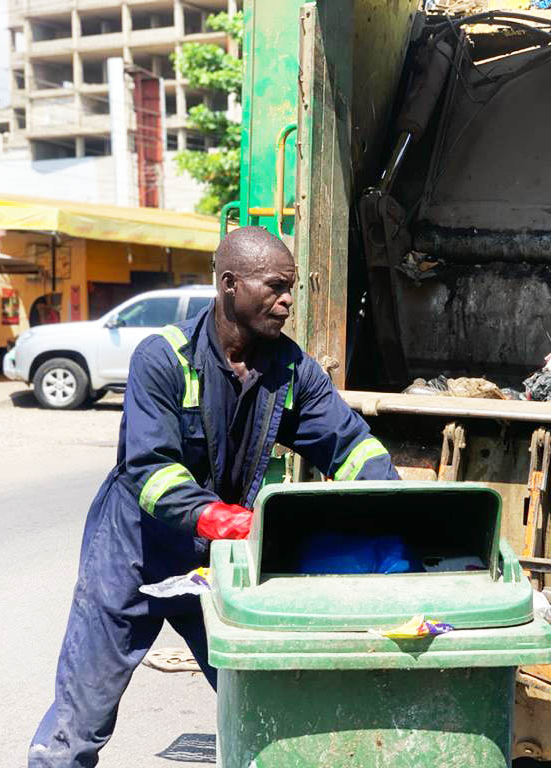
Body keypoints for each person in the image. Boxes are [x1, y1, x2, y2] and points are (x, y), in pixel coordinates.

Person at [28, 226, 399, 767]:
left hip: (210, 563)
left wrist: (401, 506)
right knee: (80, 719)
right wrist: (228, 522)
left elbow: (348, 446)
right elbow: (151, 471)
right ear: (229, 285)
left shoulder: (291, 369)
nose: (288, 300)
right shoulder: (164, 358)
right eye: (275, 286)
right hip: (130, 553)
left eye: (291, 287)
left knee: (261, 696)